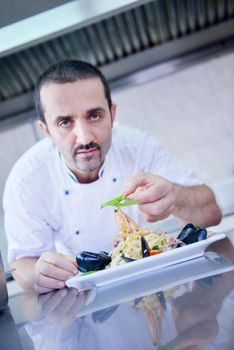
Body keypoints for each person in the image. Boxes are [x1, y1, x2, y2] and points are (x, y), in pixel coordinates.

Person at [3, 60, 221, 294]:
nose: (84, 137)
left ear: (112, 113)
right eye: (65, 122)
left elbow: (211, 215)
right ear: (46, 130)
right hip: (84, 296)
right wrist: (39, 275)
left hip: (153, 283)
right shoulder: (27, 180)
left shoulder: (137, 146)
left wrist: (175, 197)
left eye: (95, 116)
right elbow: (22, 264)